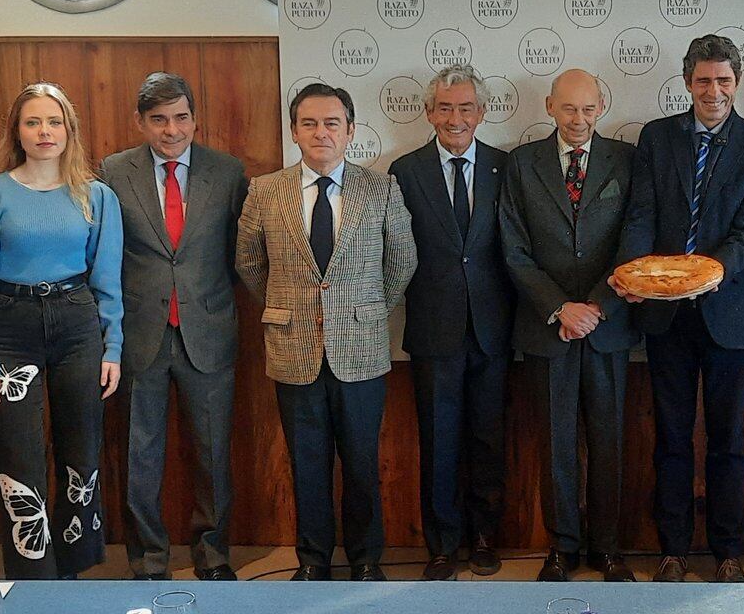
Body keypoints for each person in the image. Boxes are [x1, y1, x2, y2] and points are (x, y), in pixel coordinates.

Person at [610, 33, 744, 584]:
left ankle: (728, 552)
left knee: (729, 441)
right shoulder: (656, 139)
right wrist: (635, 274)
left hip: (729, 314)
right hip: (664, 317)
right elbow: (640, 214)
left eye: (724, 80)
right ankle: (673, 551)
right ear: (687, 82)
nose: (714, 90)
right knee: (671, 437)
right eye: (704, 80)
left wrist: (703, 276)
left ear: (738, 82)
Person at [237, 83, 417, 581]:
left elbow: (402, 260)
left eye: (332, 123)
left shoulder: (380, 189)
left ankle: (365, 560)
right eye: (310, 123)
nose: (321, 132)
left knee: (362, 462)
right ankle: (313, 560)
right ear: (294, 130)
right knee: (306, 465)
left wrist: (364, 309)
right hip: (293, 348)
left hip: (360, 348)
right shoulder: (265, 190)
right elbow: (249, 262)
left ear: (350, 131)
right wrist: (286, 308)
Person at [0, 81, 123, 580]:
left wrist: (112, 345)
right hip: (11, 325)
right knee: (19, 455)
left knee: (81, 445)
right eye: (33, 121)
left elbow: (108, 279)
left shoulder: (96, 195)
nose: (44, 131)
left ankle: (75, 567)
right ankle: (33, 578)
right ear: (17, 130)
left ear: (69, 130)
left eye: (54, 121)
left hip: (77, 322)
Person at [100, 72, 248, 581]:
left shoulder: (227, 173)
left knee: (212, 452)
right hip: (141, 334)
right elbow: (107, 256)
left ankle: (214, 556)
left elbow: (239, 255)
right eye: (159, 119)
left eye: (181, 117)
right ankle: (148, 560)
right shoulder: (113, 173)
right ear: (140, 122)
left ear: (195, 119)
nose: (171, 130)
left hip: (207, 331)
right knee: (140, 455)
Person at [500, 69, 638, 582]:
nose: (578, 120)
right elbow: (513, 250)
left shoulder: (626, 160)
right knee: (555, 442)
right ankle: (562, 548)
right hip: (547, 329)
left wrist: (598, 306)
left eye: (588, 109)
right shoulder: (522, 164)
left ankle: (607, 548)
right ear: (549, 106)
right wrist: (561, 308)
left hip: (609, 327)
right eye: (568, 109)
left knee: (609, 442)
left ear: (601, 107)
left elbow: (634, 241)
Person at [389, 64, 514, 580]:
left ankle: (484, 537)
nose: (455, 118)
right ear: (429, 112)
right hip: (433, 328)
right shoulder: (405, 170)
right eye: (445, 107)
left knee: (487, 437)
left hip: (493, 327)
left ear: (481, 113)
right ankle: (441, 546)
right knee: (438, 441)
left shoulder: (507, 168)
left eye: (466, 108)